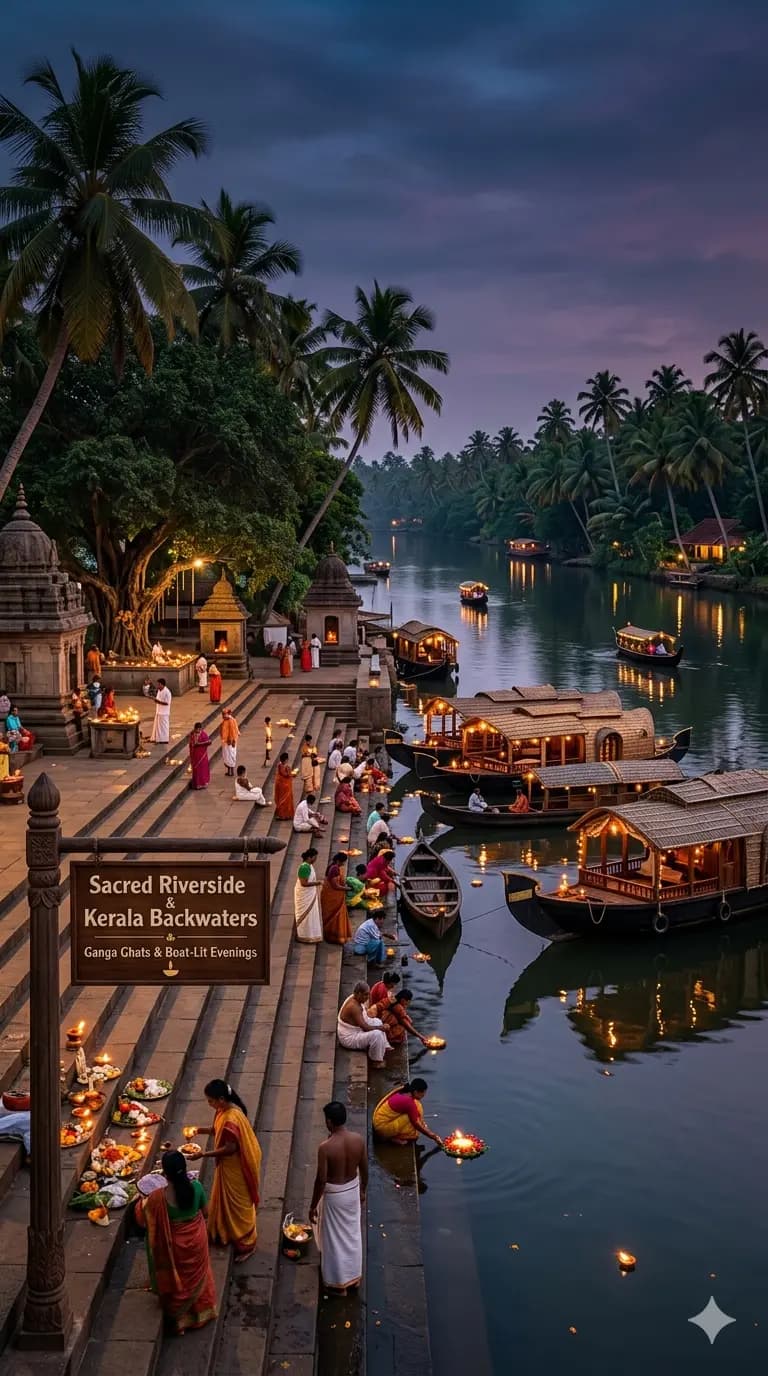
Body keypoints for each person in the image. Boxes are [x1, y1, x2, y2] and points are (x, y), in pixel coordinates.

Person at [136, 1149, 217, 1335]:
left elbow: (142, 1219)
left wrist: (140, 1203)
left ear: (165, 1173)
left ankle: (181, 1321)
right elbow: (206, 1213)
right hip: (196, 1240)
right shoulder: (196, 1187)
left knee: (178, 1278)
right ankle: (200, 1314)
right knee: (198, 1278)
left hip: (173, 1246)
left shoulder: (158, 1198)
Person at [195, 1080, 261, 1263]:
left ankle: (248, 1242)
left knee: (239, 1204)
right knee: (227, 1202)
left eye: (211, 1101)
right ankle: (225, 1230)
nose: (210, 1105)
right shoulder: (224, 1110)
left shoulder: (232, 1117)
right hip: (229, 1165)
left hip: (236, 1167)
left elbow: (230, 1148)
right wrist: (198, 1130)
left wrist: (203, 1154)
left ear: (222, 1099)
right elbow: (217, 1130)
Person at [309, 1101, 367, 1296]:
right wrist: (363, 1191)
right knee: (352, 1235)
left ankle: (338, 1284)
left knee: (333, 1238)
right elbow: (365, 1170)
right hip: (352, 1190)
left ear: (329, 1122)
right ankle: (354, 1278)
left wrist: (313, 1205)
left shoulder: (325, 1147)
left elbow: (321, 1179)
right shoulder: (358, 1139)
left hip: (335, 1195)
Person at [372, 1079, 443, 1146]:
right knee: (412, 1125)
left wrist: (422, 1122)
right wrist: (434, 1137)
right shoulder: (409, 1102)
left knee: (417, 1106)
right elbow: (416, 1125)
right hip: (382, 1127)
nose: (423, 1096)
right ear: (415, 1092)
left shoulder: (405, 1092)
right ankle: (391, 1138)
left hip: (379, 1120)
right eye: (423, 1094)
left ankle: (391, 1136)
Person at [336, 983, 388, 1067]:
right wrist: (380, 1028)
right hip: (348, 1038)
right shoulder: (353, 1007)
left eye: (368, 994)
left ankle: (383, 1046)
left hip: (357, 1029)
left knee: (377, 1021)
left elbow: (365, 1017)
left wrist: (378, 1025)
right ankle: (376, 1061)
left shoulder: (355, 998)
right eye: (365, 995)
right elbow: (365, 1027)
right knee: (377, 1034)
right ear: (359, 994)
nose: (367, 997)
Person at [321, 853, 352, 944]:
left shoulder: (335, 867)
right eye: (343, 862)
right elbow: (335, 886)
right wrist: (347, 889)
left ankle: (334, 936)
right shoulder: (333, 869)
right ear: (338, 861)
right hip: (332, 896)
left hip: (336, 896)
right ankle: (332, 936)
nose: (343, 864)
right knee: (333, 916)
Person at [294, 847, 323, 943]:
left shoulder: (309, 866)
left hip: (309, 893)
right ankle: (304, 935)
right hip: (304, 893)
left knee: (311, 914)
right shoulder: (304, 867)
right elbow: (304, 883)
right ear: (310, 857)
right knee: (305, 914)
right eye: (315, 857)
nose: (316, 859)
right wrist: (317, 883)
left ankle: (311, 934)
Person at [188, 722, 211, 790]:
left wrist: (199, 744)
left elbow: (209, 742)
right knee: (195, 770)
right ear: (195, 729)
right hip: (194, 755)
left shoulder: (203, 734)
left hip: (202, 756)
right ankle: (196, 784)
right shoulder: (192, 734)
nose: (198, 731)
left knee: (202, 769)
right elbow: (191, 743)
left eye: (199, 729)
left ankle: (202, 783)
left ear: (200, 729)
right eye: (196, 729)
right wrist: (193, 745)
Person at [150, 679, 172, 745]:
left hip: (164, 712)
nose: (158, 686)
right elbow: (158, 699)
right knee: (158, 727)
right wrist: (154, 699)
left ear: (162, 684)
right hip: (159, 711)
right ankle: (158, 739)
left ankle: (164, 739)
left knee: (164, 727)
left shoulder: (167, 692)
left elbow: (167, 703)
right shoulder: (159, 691)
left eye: (159, 684)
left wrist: (158, 702)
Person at [274, 751, 295, 820]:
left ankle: (284, 814)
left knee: (282, 799)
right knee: (285, 800)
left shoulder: (280, 766)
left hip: (281, 784)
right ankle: (283, 815)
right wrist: (291, 773)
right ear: (285, 760)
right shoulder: (284, 767)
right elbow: (286, 774)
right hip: (284, 786)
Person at [220, 708, 239, 776]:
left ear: (228, 714)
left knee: (231, 755)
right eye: (223, 714)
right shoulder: (225, 721)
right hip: (225, 741)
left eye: (224, 714)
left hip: (230, 741)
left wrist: (232, 740)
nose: (223, 716)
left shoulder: (231, 721)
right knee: (227, 756)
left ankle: (232, 772)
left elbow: (233, 731)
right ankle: (229, 771)